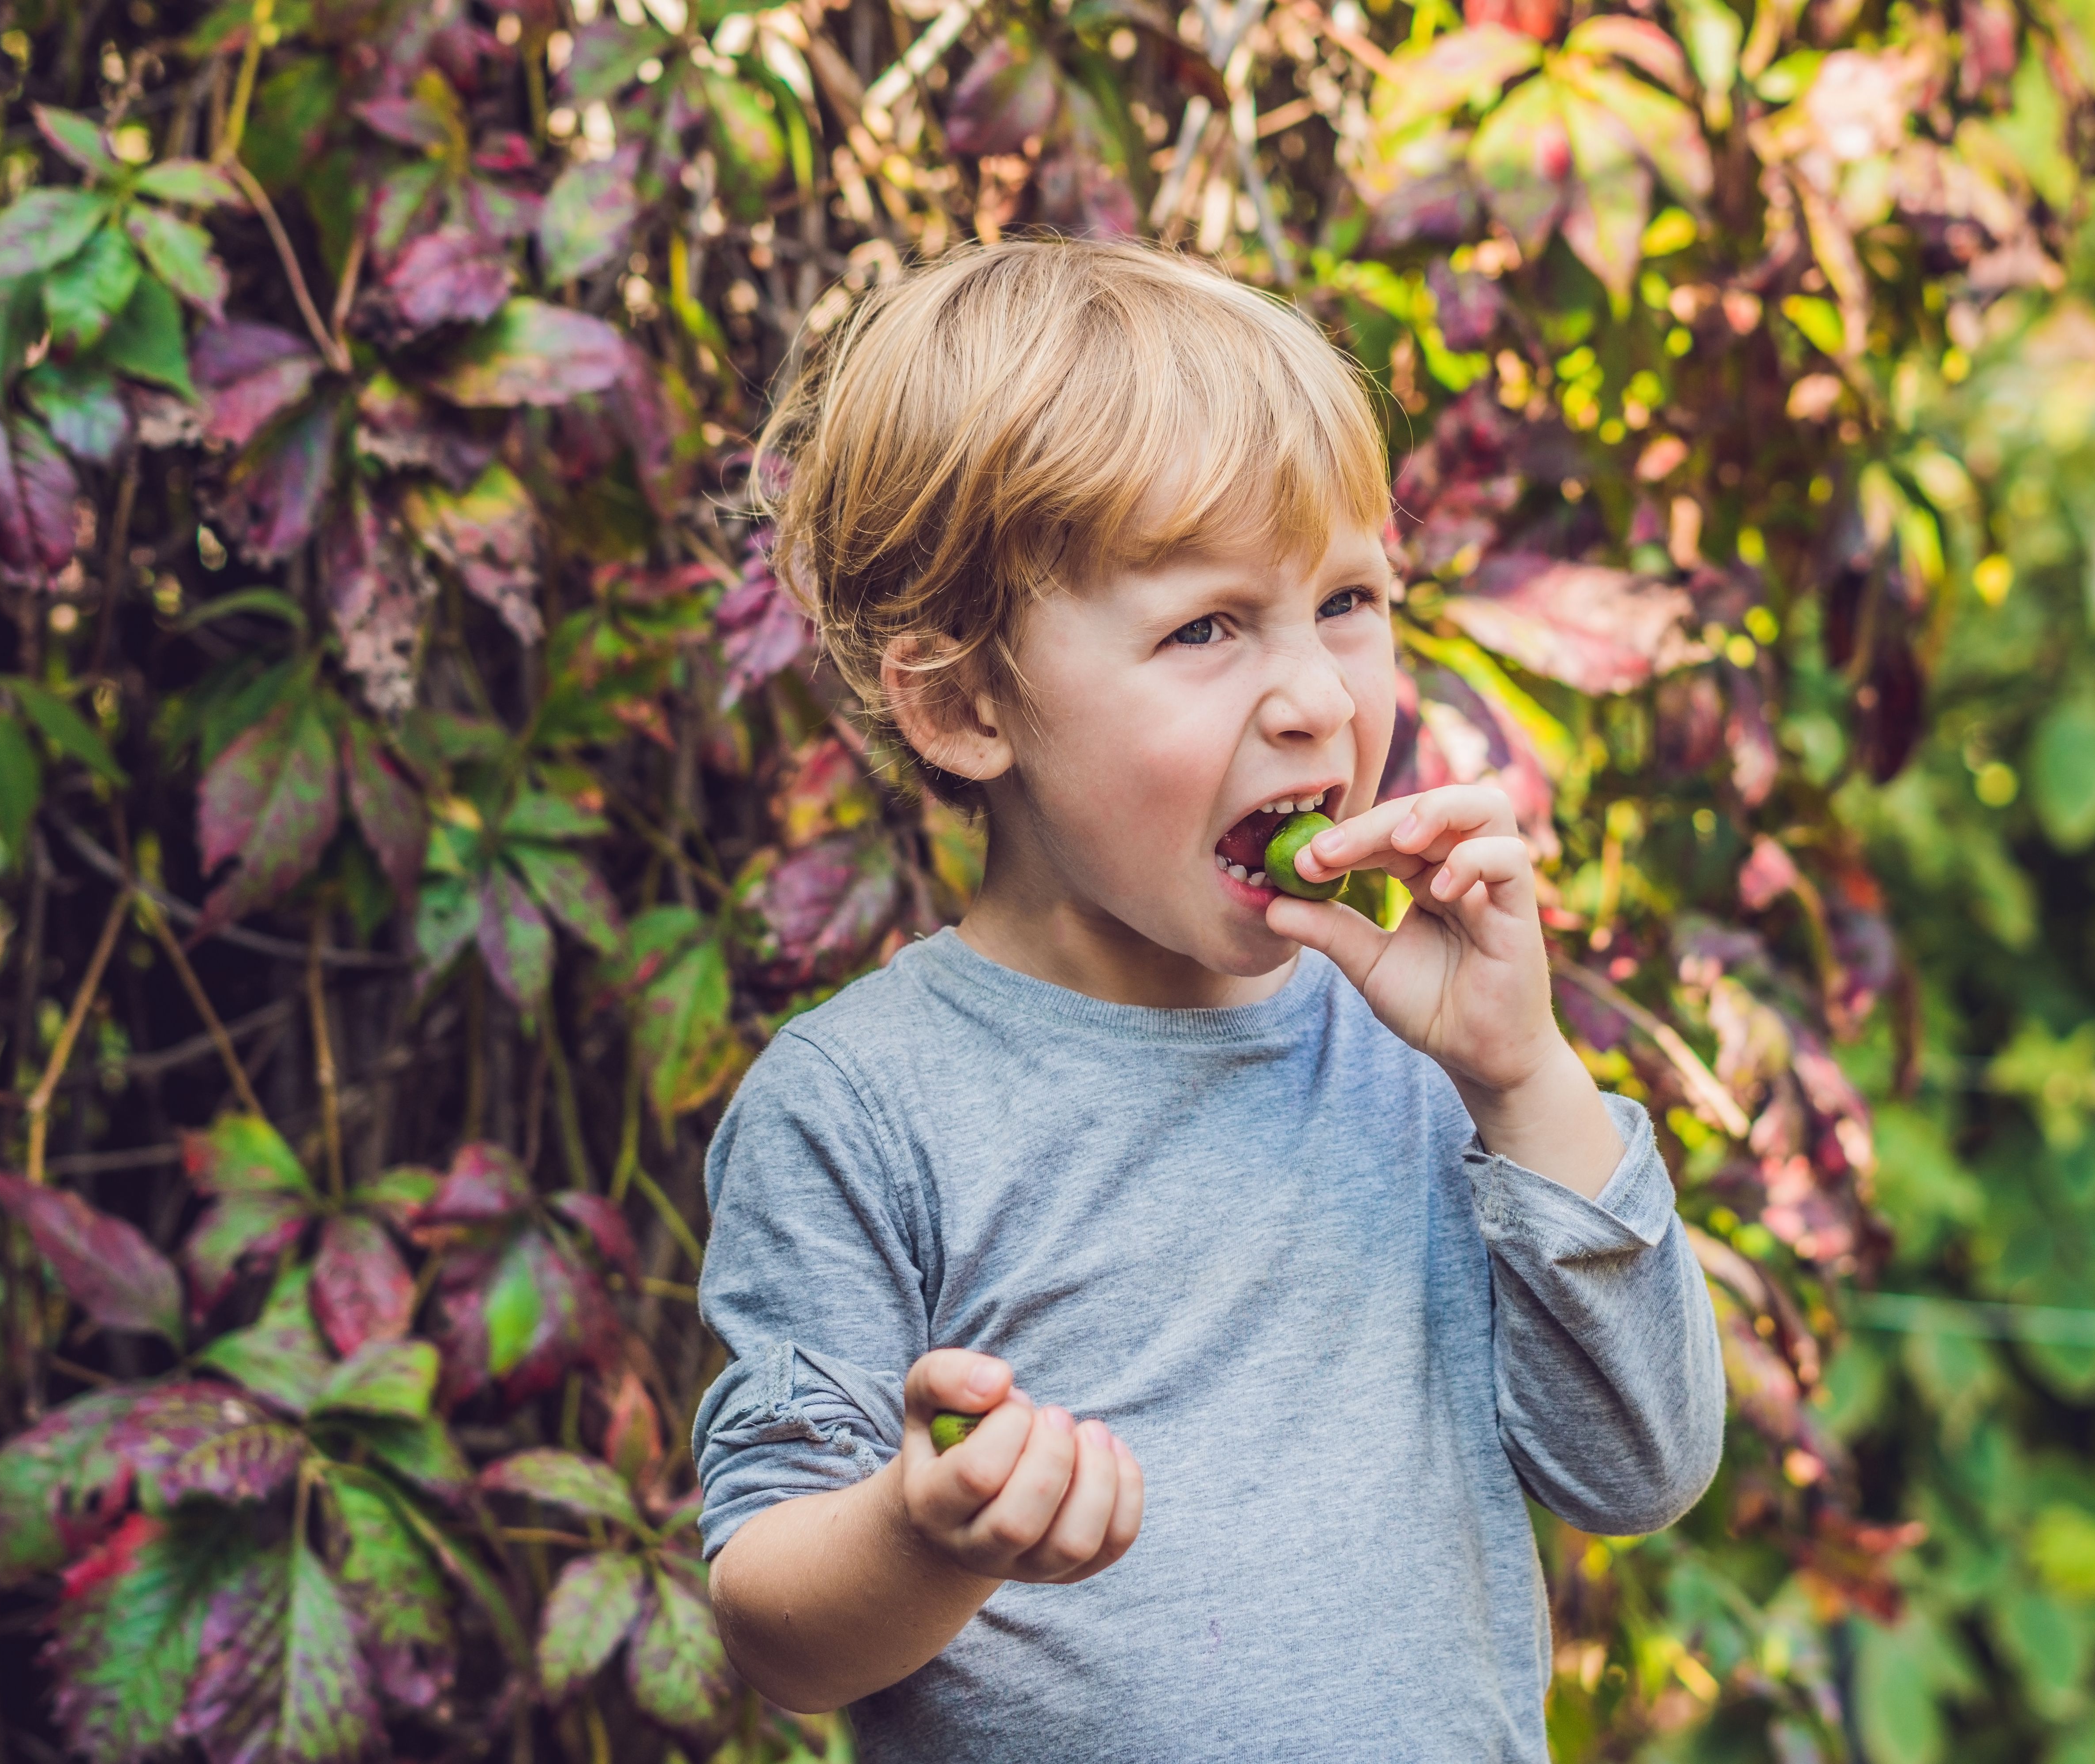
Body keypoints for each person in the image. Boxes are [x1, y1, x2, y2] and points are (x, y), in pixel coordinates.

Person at [693, 237, 1725, 1762]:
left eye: (1351, 599)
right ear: (969, 706)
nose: (1318, 695)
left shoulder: (1419, 1053)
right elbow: (777, 1626)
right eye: (1207, 628)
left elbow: (1640, 1470)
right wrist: (930, 1536)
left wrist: (1526, 1079)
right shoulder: (863, 1106)